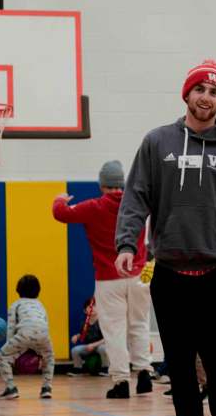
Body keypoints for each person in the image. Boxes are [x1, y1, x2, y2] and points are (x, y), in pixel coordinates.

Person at [115, 59, 216, 416]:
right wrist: (128, 243)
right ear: (187, 94)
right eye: (201, 89)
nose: (206, 98)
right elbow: (136, 196)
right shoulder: (157, 142)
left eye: (215, 92)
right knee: (178, 363)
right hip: (170, 273)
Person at [53, 160, 153, 399]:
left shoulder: (93, 207)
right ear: (123, 184)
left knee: (114, 331)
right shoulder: (138, 205)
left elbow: (61, 214)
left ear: (102, 184)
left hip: (109, 278)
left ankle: (121, 382)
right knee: (139, 325)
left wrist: (59, 199)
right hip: (139, 274)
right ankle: (144, 373)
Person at [0, 275, 54, 399]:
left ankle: (11, 388)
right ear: (38, 290)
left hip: (24, 334)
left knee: (2, 356)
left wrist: (12, 351)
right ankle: (46, 388)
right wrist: (39, 352)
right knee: (49, 358)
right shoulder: (41, 305)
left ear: (18, 290)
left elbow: (11, 328)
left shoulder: (15, 305)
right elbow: (45, 324)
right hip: (44, 335)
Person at [68, 298, 109, 376]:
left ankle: (105, 368)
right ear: (85, 311)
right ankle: (78, 368)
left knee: (103, 349)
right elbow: (83, 333)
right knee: (75, 350)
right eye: (89, 307)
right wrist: (77, 336)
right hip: (89, 346)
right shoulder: (85, 322)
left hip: (101, 345)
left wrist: (93, 345)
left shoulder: (102, 321)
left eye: (94, 306)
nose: (92, 308)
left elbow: (106, 338)